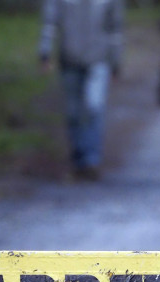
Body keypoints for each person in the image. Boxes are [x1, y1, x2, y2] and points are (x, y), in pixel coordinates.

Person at [39, 0, 124, 181]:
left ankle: (91, 160)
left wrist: (115, 62)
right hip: (69, 60)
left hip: (99, 59)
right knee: (73, 112)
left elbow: (115, 27)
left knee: (94, 106)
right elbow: (50, 21)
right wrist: (45, 52)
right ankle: (79, 158)